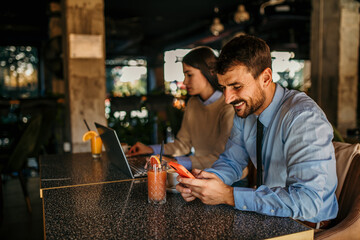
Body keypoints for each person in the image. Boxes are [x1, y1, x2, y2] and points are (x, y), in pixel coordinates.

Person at [176, 35, 338, 227]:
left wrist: (228, 195)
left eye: (236, 86)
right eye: (224, 87)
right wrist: (207, 181)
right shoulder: (246, 111)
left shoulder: (303, 118)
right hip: (270, 218)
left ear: (266, 78)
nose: (228, 99)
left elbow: (307, 202)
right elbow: (232, 161)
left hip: (305, 226)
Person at [128, 46, 234, 170]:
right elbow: (183, 145)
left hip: (232, 178)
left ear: (209, 71)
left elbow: (221, 158)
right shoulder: (194, 103)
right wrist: (150, 149)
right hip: (203, 173)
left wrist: (174, 161)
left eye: (189, 75)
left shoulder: (227, 106)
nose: (184, 82)